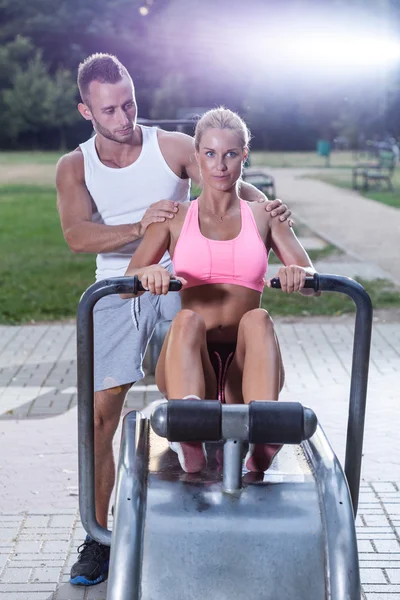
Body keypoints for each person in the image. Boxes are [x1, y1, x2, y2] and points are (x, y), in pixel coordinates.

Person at [56, 54, 292, 586]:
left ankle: (216, 476)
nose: (124, 118)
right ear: (85, 111)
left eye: (130, 103)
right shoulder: (75, 166)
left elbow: (225, 177)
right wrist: (139, 228)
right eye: (110, 110)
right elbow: (77, 236)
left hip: (179, 275)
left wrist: (270, 212)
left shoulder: (171, 147)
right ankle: (98, 536)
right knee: (100, 414)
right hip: (119, 284)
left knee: (207, 347)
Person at [123, 107, 319, 473]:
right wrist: (148, 273)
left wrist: (298, 275)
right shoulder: (174, 217)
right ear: (197, 156)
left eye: (230, 154)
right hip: (190, 362)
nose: (220, 165)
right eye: (210, 154)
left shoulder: (264, 215)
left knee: (259, 318)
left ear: (244, 155)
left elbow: (310, 277)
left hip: (245, 369)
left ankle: (265, 434)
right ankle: (188, 433)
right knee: (185, 320)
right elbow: (127, 283)